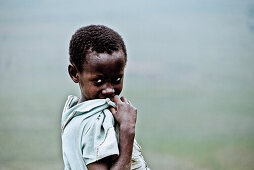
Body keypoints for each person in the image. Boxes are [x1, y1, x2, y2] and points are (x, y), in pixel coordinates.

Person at [61, 25, 150, 170]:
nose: (109, 90)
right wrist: (128, 130)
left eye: (116, 79)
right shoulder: (97, 123)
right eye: (99, 81)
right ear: (74, 73)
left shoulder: (73, 112)